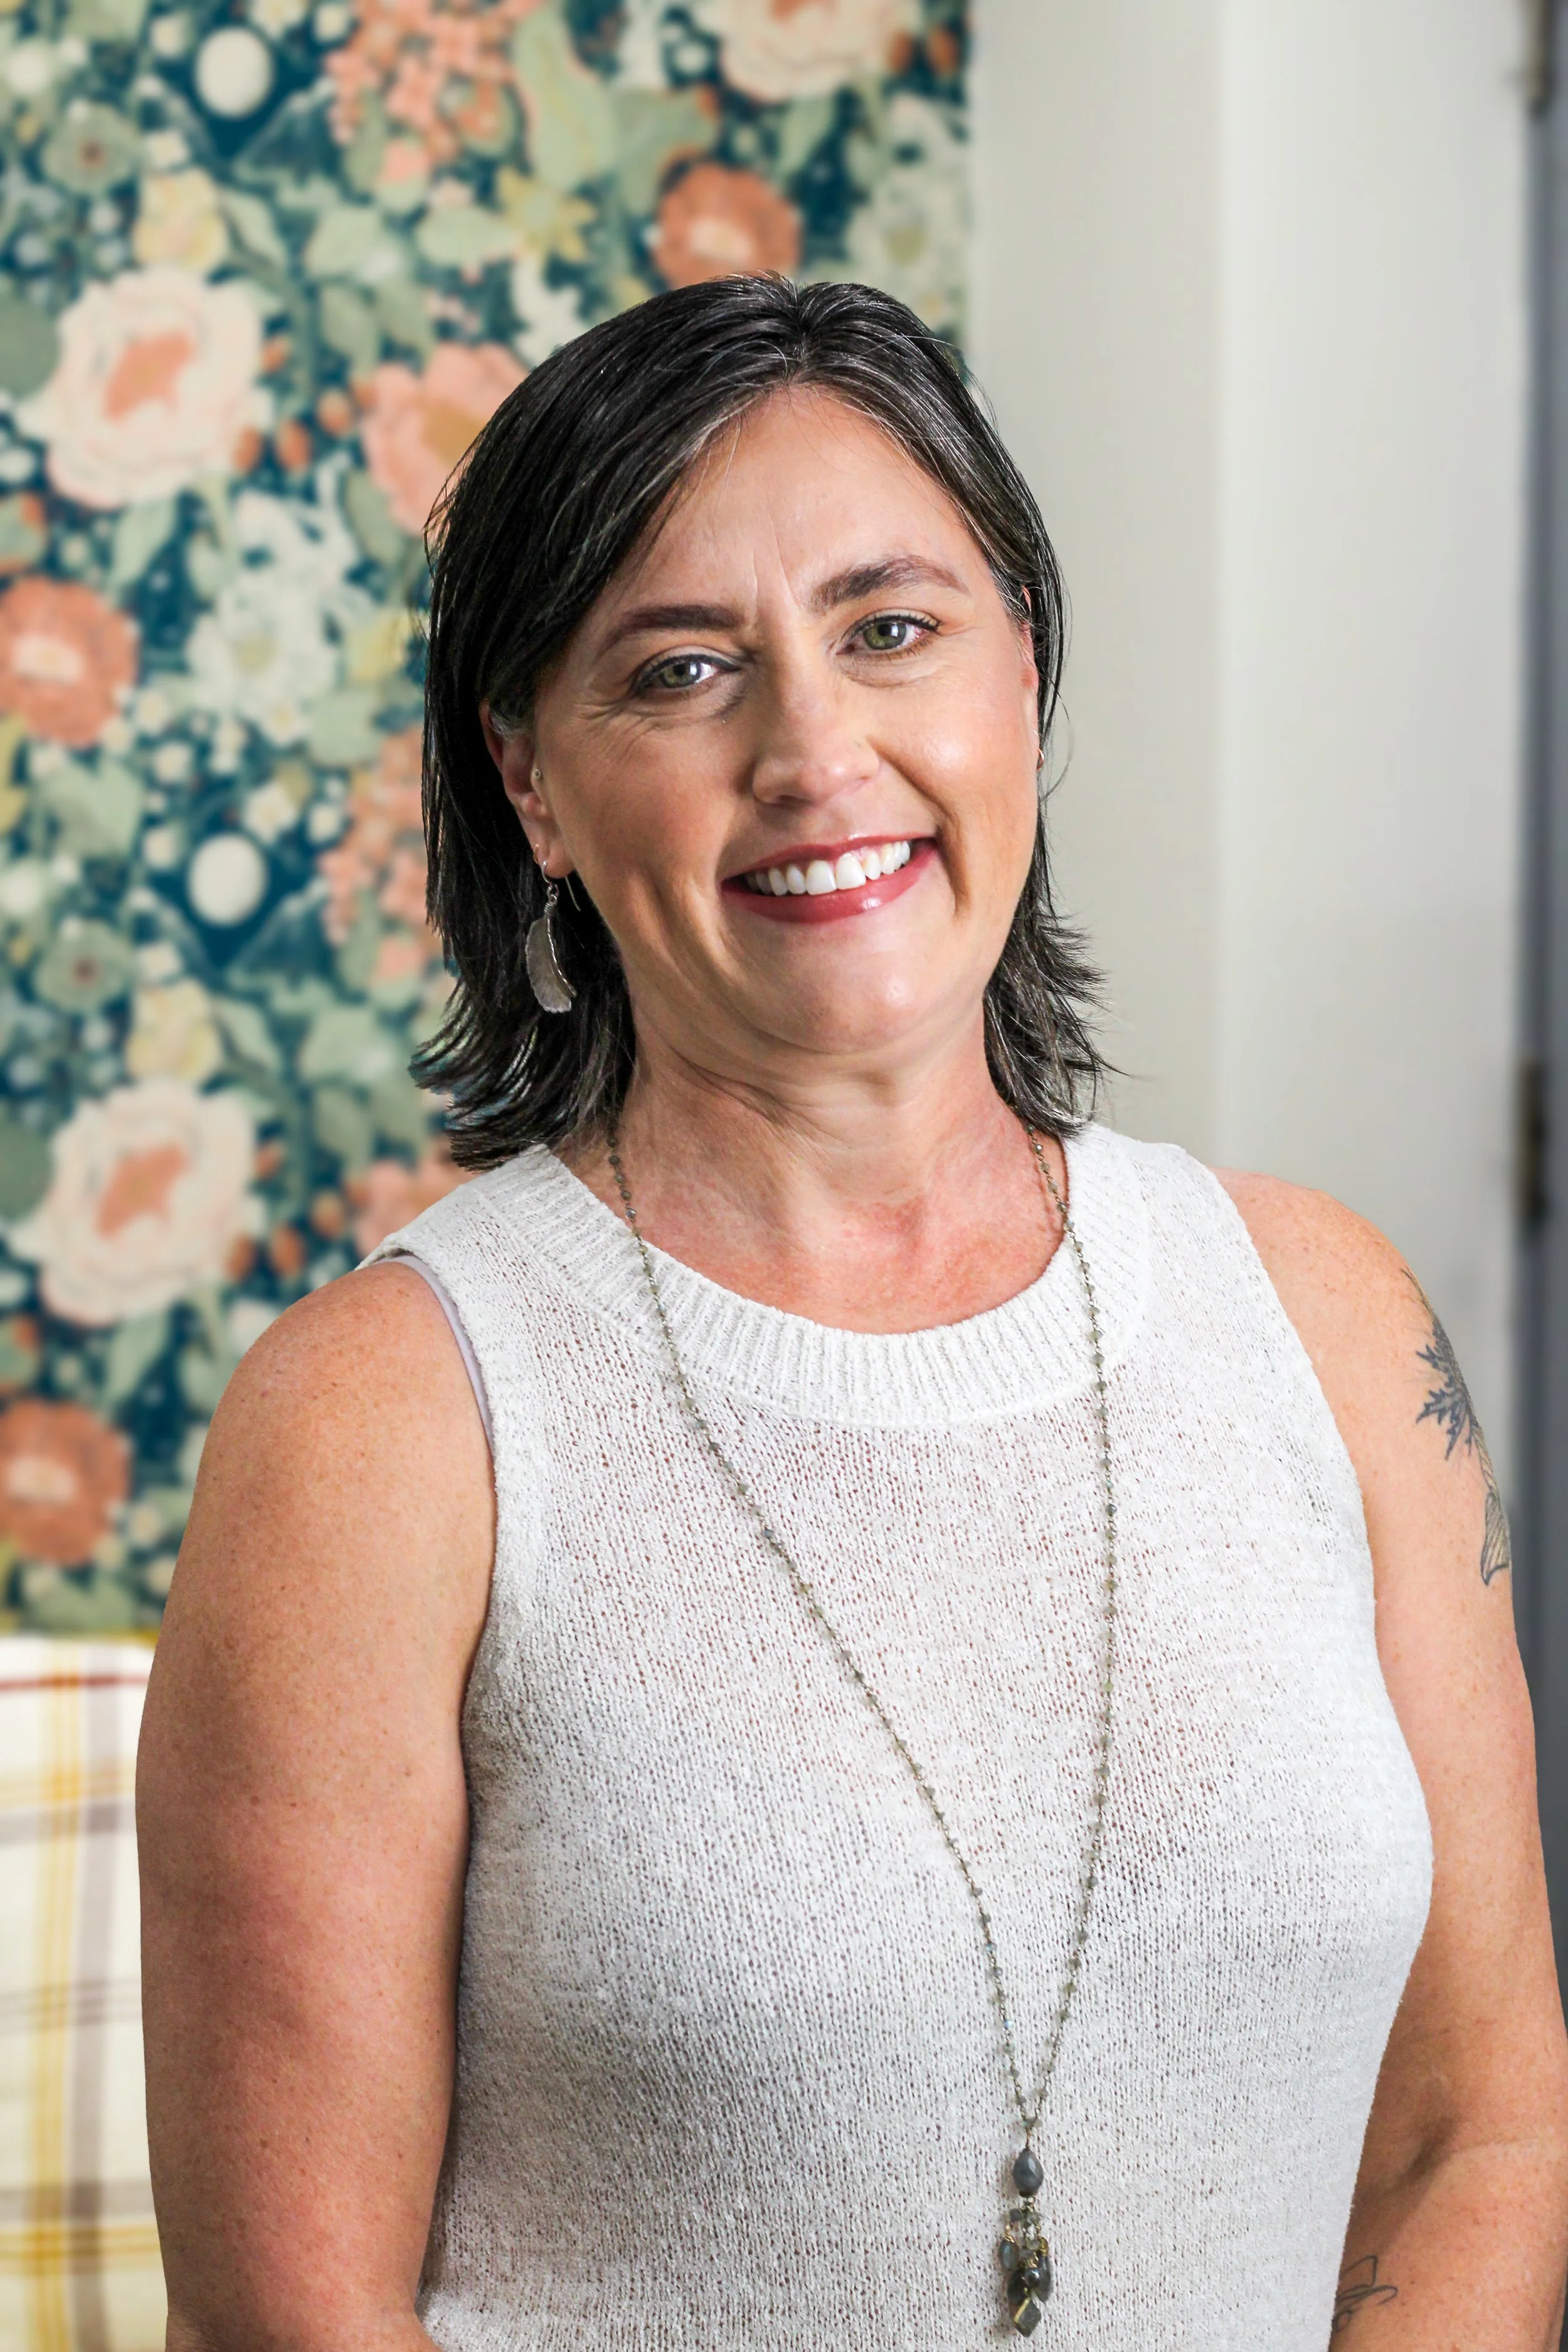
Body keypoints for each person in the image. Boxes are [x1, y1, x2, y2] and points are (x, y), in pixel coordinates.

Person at [137, 276, 1568, 2350]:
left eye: (890, 629)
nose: (812, 750)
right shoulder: (384, 1419)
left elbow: (1478, 2135)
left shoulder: (1328, 1317)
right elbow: (292, 2321)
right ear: (533, 786)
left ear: (1025, 688)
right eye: (681, 668)